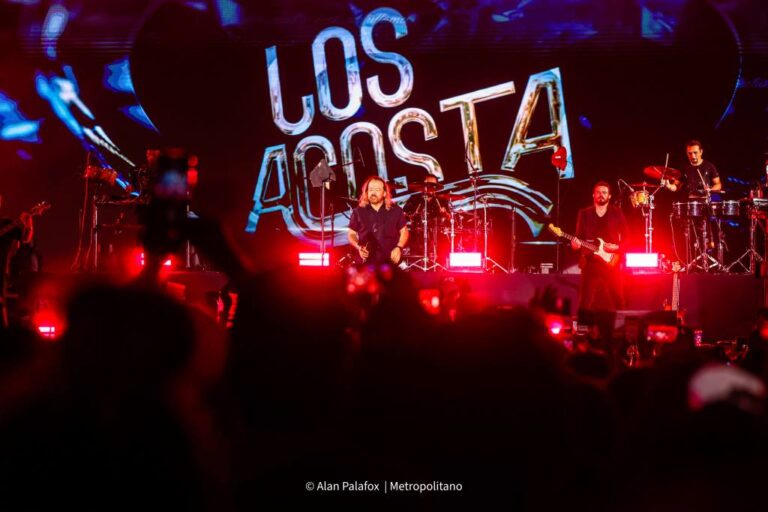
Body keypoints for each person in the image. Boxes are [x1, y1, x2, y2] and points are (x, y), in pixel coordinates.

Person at [570, 182, 629, 312]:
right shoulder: (584, 213)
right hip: (590, 262)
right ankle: (583, 330)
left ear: (609, 196)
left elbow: (627, 237)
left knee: (618, 300)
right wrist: (575, 245)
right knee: (585, 301)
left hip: (612, 262)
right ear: (593, 195)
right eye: (598, 192)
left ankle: (622, 328)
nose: (601, 195)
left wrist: (617, 247)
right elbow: (578, 237)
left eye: (604, 192)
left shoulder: (616, 213)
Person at [348, 176, 409, 266]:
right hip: (367, 262)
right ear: (366, 192)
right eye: (371, 189)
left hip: (390, 261)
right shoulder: (358, 211)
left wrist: (399, 247)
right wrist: (359, 246)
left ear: (384, 193)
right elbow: (351, 233)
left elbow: (404, 231)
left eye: (377, 189)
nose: (373, 192)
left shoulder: (396, 210)